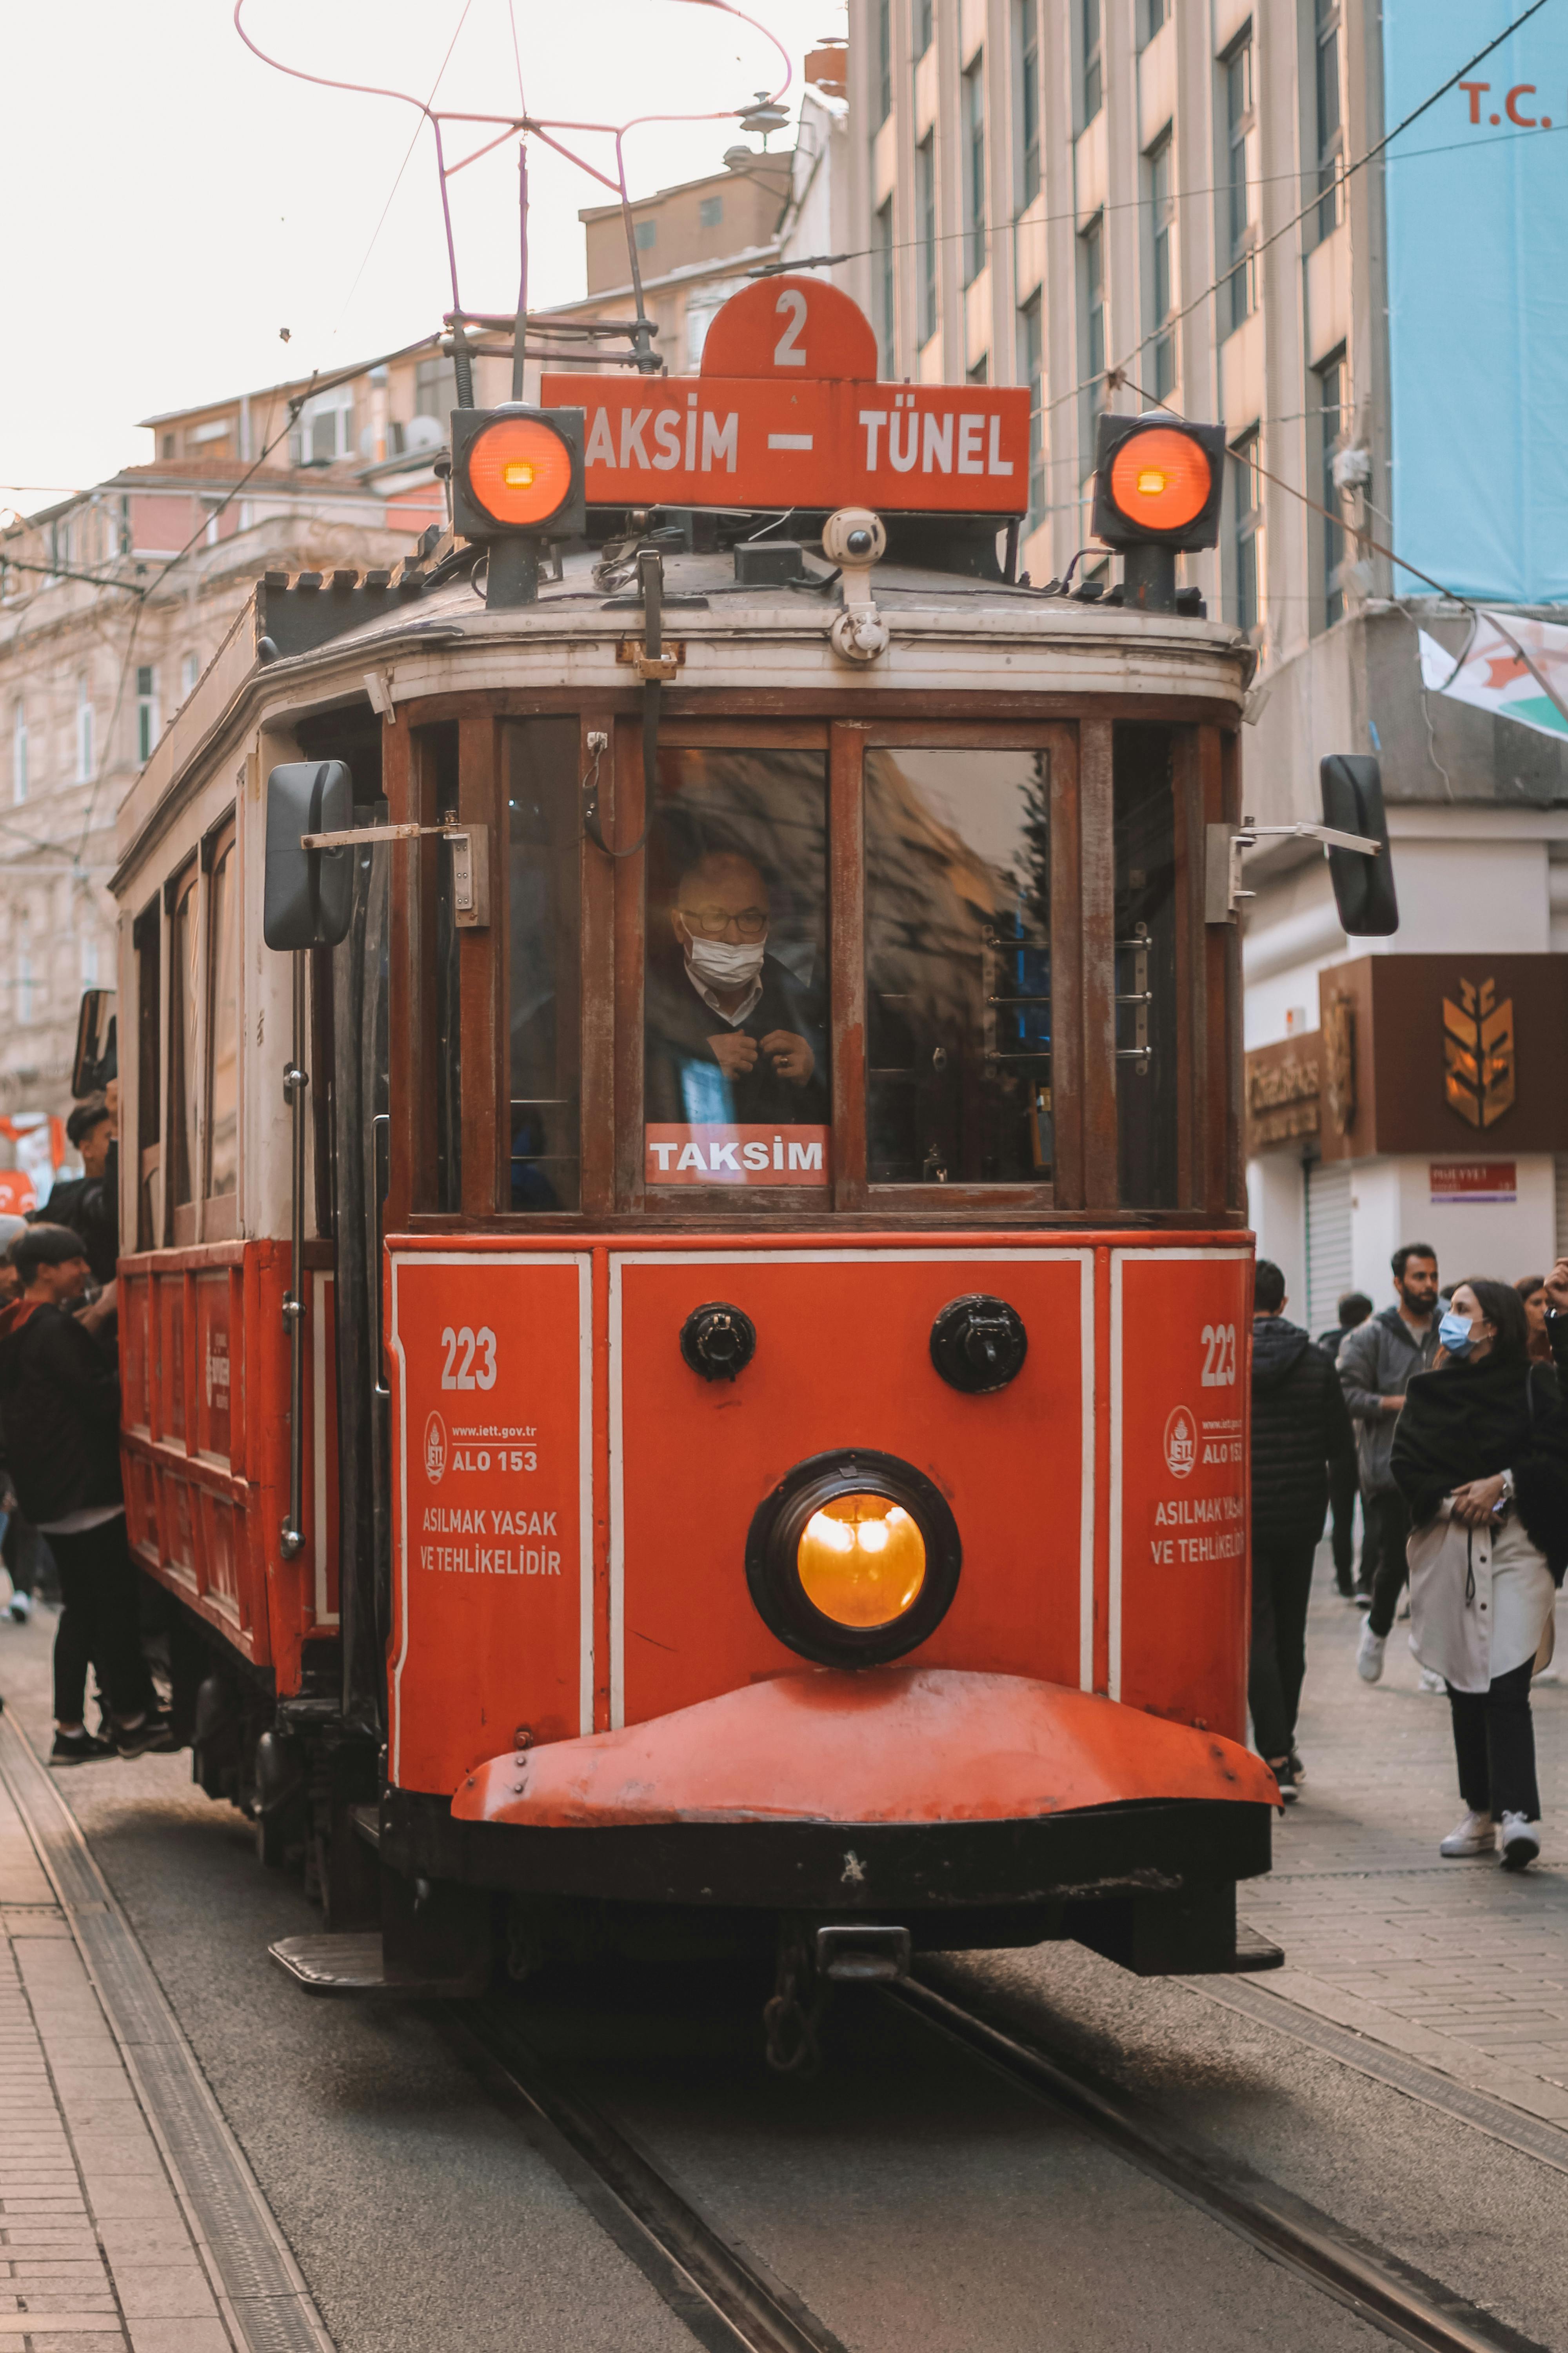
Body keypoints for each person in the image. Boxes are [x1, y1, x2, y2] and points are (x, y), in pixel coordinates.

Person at [1392, 1269, 1568, 1869]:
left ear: (1490, 1325)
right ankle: (1479, 1811)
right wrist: (1453, 1502)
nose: (1449, 1314)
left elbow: (1555, 1453)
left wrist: (1504, 1484)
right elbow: (1405, 1465)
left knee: (1504, 1680)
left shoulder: (1531, 1383)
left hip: (1519, 1548)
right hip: (1450, 1548)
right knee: (1463, 1680)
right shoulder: (1427, 1391)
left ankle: (1517, 1812)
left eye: (1460, 1306)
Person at [0, 1224, 169, 1765]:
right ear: (45, 1271)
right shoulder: (52, 1330)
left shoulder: (18, 1326)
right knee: (111, 1608)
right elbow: (102, 1399)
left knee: (83, 1610)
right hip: (86, 1493)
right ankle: (128, 1717)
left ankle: (75, 1728)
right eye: (73, 1262)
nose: (84, 1270)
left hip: (49, 1495)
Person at [1250, 1259, 1357, 1801]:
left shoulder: (1217, 1358)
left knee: (1256, 1636)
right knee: (1291, 1635)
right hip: (1299, 1518)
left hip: (1239, 1519)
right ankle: (1283, 1748)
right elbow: (1339, 1447)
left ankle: (1270, 1753)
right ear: (1284, 1302)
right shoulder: (1317, 1362)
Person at [645, 849, 828, 1130]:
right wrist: (695, 1061)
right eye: (714, 918)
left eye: (750, 919)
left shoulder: (803, 1001)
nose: (733, 937)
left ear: (767, 925)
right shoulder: (643, 997)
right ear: (679, 926)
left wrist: (813, 1071)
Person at [1340, 1242, 1443, 1680]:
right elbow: (1347, 1396)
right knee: (1397, 1564)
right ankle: (1377, 1630)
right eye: (1420, 1278)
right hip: (1390, 1469)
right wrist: (1398, 1402)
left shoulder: (1450, 1327)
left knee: (1439, 1565)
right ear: (1399, 1283)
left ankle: (1433, 1659)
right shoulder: (1370, 1336)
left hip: (1442, 1467)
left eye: (1434, 1277)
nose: (1429, 1286)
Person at [1317, 1290, 1373, 1597]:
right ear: (1366, 1317)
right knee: (1370, 1516)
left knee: (1341, 1517)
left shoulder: (1324, 1348)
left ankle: (1344, 1582)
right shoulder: (1369, 1345)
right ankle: (1366, 1581)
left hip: (1336, 1446)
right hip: (1365, 1440)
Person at [35, 1096, 118, 1288]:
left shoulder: (64, 1193)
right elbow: (112, 1210)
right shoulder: (85, 1196)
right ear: (86, 1149)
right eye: (110, 1136)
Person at [1516, 1274, 1552, 1367]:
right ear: (1520, 1307)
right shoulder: (1509, 1344)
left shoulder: (1554, 1345)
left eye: (1549, 1303)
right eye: (1537, 1303)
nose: (1545, 1310)